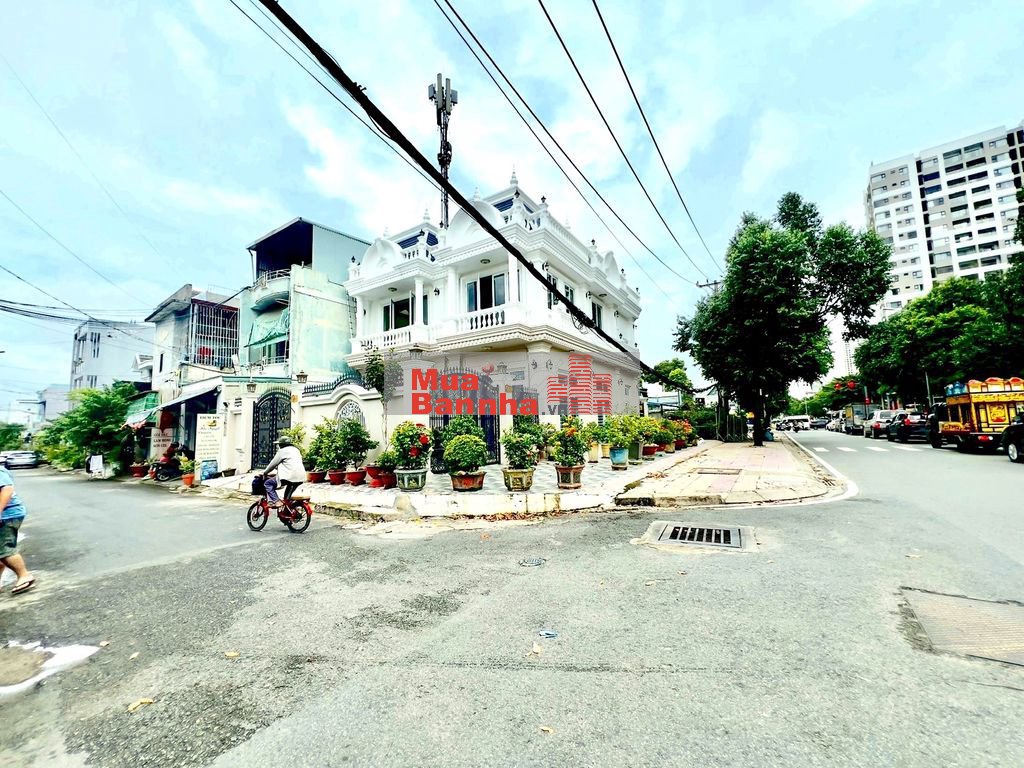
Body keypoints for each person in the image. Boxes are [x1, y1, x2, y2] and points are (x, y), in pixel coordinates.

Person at [0, 465, 35, 595]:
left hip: (7, 515)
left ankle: (24, 575)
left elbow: (7, 489)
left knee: (4, 549)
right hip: (7, 514)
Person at [262, 436, 306, 509]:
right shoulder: (296, 450)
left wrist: (265, 473)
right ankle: (287, 511)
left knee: (268, 483)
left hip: (289, 477)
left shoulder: (282, 451)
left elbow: (272, 464)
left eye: (279, 444)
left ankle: (276, 501)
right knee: (286, 500)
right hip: (300, 477)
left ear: (282, 444)